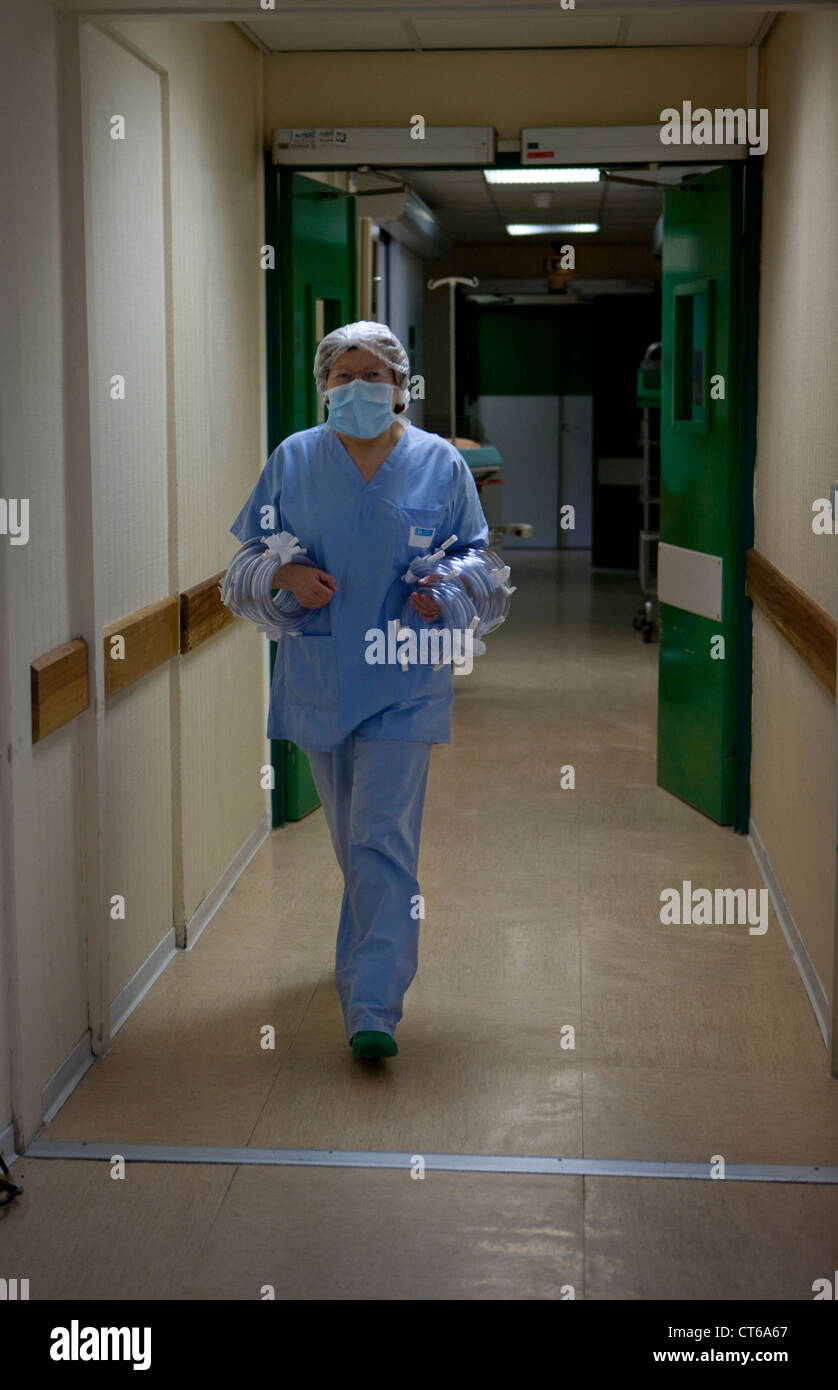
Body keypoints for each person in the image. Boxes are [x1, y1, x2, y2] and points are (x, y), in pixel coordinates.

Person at [229, 321, 488, 1060]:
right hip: (320, 674)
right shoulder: (295, 460)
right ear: (324, 386)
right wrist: (285, 575)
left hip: (405, 676)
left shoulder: (440, 464)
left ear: (399, 386)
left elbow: (478, 560)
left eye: (372, 375)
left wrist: (449, 588)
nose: (356, 388)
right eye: (342, 377)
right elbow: (248, 558)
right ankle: (367, 958)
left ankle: (373, 1004)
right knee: (353, 840)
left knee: (382, 837)